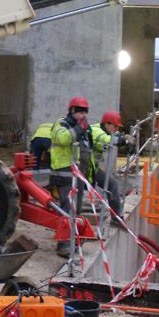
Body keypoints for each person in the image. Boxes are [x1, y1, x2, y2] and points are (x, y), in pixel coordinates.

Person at [49, 96, 91, 257]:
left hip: (76, 175)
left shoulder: (79, 128)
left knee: (76, 209)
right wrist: (79, 129)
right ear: (72, 110)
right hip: (63, 174)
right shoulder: (61, 124)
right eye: (80, 112)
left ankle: (73, 239)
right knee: (66, 209)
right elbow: (64, 138)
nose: (83, 116)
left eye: (85, 113)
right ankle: (64, 245)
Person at [85, 111, 134, 218]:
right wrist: (124, 141)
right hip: (83, 168)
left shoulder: (104, 130)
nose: (116, 129)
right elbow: (108, 140)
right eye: (115, 126)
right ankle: (116, 217)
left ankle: (116, 217)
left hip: (91, 167)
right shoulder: (96, 131)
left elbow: (115, 137)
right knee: (110, 185)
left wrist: (124, 138)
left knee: (111, 185)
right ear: (107, 124)